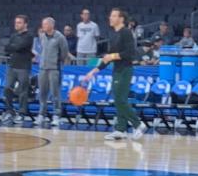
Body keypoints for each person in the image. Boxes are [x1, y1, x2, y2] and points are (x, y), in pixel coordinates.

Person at [83, 8, 146, 141]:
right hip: (117, 70)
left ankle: (138, 124)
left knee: (120, 100)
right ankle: (120, 130)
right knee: (118, 99)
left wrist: (113, 55)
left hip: (125, 70)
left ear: (121, 19)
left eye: (113, 16)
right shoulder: (113, 34)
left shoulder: (126, 32)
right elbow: (107, 58)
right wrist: (93, 71)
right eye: (110, 16)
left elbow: (130, 53)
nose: (110, 18)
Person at [36, 17, 70, 127]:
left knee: (55, 93)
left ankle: (56, 115)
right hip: (42, 69)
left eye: (45, 24)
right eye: (43, 24)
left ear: (51, 25)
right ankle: (42, 114)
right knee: (42, 93)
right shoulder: (42, 36)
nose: (43, 26)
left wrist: (57, 61)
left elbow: (64, 53)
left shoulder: (60, 37)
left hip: (54, 68)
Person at [2, 14, 35, 125]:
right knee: (7, 88)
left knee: (23, 91)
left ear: (25, 24)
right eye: (16, 22)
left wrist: (14, 47)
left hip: (24, 66)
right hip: (12, 65)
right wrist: (14, 47)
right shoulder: (13, 36)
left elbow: (19, 46)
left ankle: (21, 113)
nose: (16, 24)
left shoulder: (29, 36)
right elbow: (7, 49)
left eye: (19, 22)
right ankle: (9, 111)